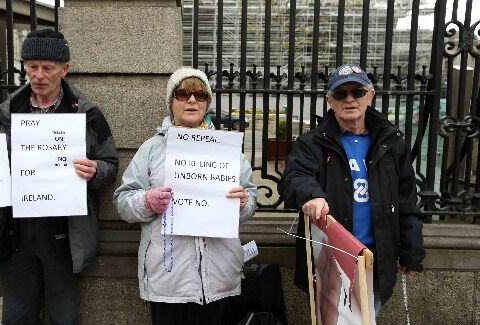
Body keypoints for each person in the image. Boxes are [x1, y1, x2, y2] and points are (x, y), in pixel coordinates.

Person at [0, 29, 118, 325]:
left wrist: (97, 171)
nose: (38, 75)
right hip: (16, 236)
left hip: (64, 238)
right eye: (31, 66)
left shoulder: (87, 115)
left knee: (64, 319)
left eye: (47, 68)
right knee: (16, 319)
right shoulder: (7, 112)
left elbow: (110, 163)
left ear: (65, 69)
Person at [113, 67, 257, 325]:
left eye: (200, 95)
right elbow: (123, 201)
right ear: (172, 102)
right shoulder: (152, 149)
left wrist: (244, 203)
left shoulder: (227, 150)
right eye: (183, 93)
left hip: (220, 279)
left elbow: (250, 201)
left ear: (207, 103)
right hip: (168, 282)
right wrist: (146, 201)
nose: (192, 100)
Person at [280, 64, 425, 314]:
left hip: (375, 263)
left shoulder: (391, 144)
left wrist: (412, 250)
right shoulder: (311, 143)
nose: (349, 99)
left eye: (357, 92)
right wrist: (311, 195)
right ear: (330, 101)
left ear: (370, 96)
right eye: (340, 94)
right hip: (328, 264)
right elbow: (295, 176)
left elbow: (407, 199)